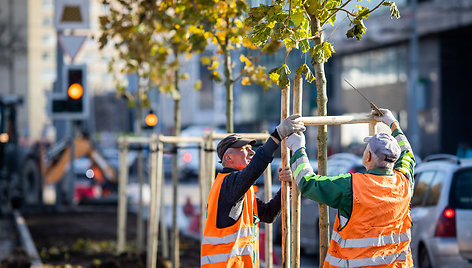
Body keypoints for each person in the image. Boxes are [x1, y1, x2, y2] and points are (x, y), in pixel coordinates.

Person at [282, 108, 416, 267]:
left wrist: (298, 150)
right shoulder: (404, 183)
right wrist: (393, 124)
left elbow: (308, 183)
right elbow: (407, 154)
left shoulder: (352, 186)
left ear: (368, 156)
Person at [200, 115, 305, 267]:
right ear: (228, 157)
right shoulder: (228, 183)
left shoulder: (240, 190)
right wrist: (277, 135)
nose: (252, 153)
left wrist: (286, 186)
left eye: (251, 149)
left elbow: (268, 214)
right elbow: (255, 168)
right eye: (245, 149)